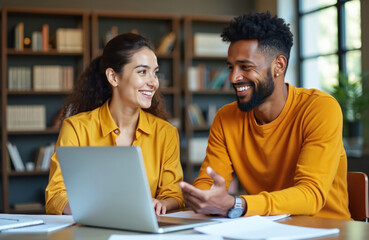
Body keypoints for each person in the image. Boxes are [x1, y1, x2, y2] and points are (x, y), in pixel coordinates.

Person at [180, 12, 351, 220]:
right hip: (266, 230)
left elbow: (311, 195)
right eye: (231, 67)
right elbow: (209, 181)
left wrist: (238, 204)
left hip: (328, 230)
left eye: (246, 67)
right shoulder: (225, 118)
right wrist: (204, 196)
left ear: (278, 65)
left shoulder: (320, 109)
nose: (234, 78)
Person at [45, 33, 184, 215]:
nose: (153, 82)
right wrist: (94, 210)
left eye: (155, 72)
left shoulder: (166, 133)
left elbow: (174, 194)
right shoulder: (76, 128)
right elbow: (55, 196)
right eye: (142, 72)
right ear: (113, 77)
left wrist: (162, 204)